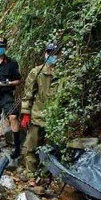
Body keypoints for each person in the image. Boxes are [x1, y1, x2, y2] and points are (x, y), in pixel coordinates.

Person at [16, 41, 61, 169]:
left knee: (51, 147)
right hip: (37, 114)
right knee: (32, 145)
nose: (52, 56)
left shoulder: (63, 74)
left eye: (55, 54)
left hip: (55, 117)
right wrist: (25, 113)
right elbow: (28, 94)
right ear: (45, 54)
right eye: (49, 53)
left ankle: (47, 172)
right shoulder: (36, 72)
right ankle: (31, 171)